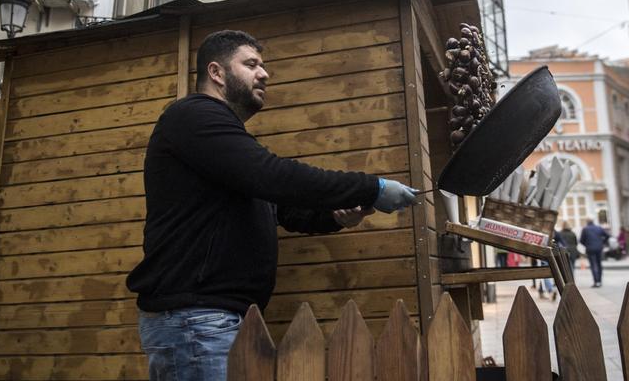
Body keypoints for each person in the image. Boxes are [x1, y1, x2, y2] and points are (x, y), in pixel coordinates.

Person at [126, 30, 418, 379]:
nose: (264, 74)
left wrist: (334, 217)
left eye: (262, 66)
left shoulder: (223, 143)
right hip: (197, 320)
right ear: (217, 73)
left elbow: (281, 207)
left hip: (215, 321)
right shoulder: (192, 116)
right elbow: (275, 176)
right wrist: (372, 187)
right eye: (251, 64)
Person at [580, 218, 610, 287]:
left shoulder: (585, 229)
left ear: (587, 221)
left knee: (593, 265)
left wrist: (587, 244)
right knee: (599, 264)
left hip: (590, 249)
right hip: (599, 248)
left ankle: (596, 282)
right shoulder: (599, 228)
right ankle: (600, 281)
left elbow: (581, 240)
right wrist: (602, 242)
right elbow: (607, 236)